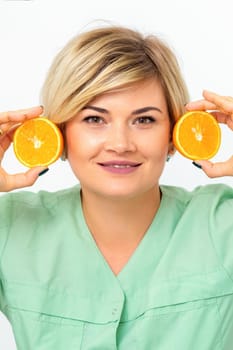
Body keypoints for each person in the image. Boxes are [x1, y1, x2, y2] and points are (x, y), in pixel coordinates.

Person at [0, 25, 232, 350]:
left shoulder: (223, 223)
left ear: (172, 135)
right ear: (61, 131)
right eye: (95, 119)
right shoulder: (9, 225)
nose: (120, 144)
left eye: (144, 120)